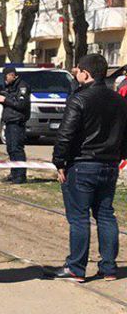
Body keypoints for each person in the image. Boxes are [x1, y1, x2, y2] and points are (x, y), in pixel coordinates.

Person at [50, 53, 127, 281]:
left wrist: (59, 162)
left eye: (78, 70)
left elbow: (66, 133)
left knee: (79, 217)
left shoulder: (79, 99)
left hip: (82, 164)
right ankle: (109, 268)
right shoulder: (119, 100)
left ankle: (76, 267)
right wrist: (119, 156)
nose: (76, 73)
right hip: (110, 164)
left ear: (87, 73)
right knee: (105, 214)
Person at [0, 67, 30, 184]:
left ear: (12, 75)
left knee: (17, 149)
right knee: (10, 149)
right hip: (9, 121)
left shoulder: (22, 86)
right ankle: (14, 173)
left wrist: (5, 100)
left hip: (17, 122)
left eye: (6, 76)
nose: (4, 79)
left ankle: (20, 176)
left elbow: (21, 104)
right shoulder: (10, 87)